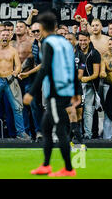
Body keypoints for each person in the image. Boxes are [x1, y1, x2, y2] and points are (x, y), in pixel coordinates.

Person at [24, 11, 79, 177]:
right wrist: (76, 90)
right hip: (67, 88)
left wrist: (31, 92)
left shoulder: (48, 43)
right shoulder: (65, 43)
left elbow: (45, 68)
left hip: (56, 91)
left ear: (41, 28)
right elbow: (73, 67)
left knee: (60, 130)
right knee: (46, 128)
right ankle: (46, 165)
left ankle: (69, 169)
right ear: (55, 27)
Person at [0, 28, 29, 139]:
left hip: (10, 80)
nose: (4, 37)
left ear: (10, 37)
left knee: (17, 107)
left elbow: (18, 65)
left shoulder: (13, 51)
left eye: (7, 35)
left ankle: (21, 132)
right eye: (2, 35)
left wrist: (16, 72)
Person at [75, 31, 101, 140]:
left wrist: (86, 78)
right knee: (75, 110)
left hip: (89, 85)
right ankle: (76, 134)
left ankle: (88, 134)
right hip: (75, 85)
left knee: (88, 110)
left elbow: (96, 74)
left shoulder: (94, 53)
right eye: (80, 40)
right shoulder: (74, 52)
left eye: (85, 40)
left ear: (89, 40)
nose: (82, 42)